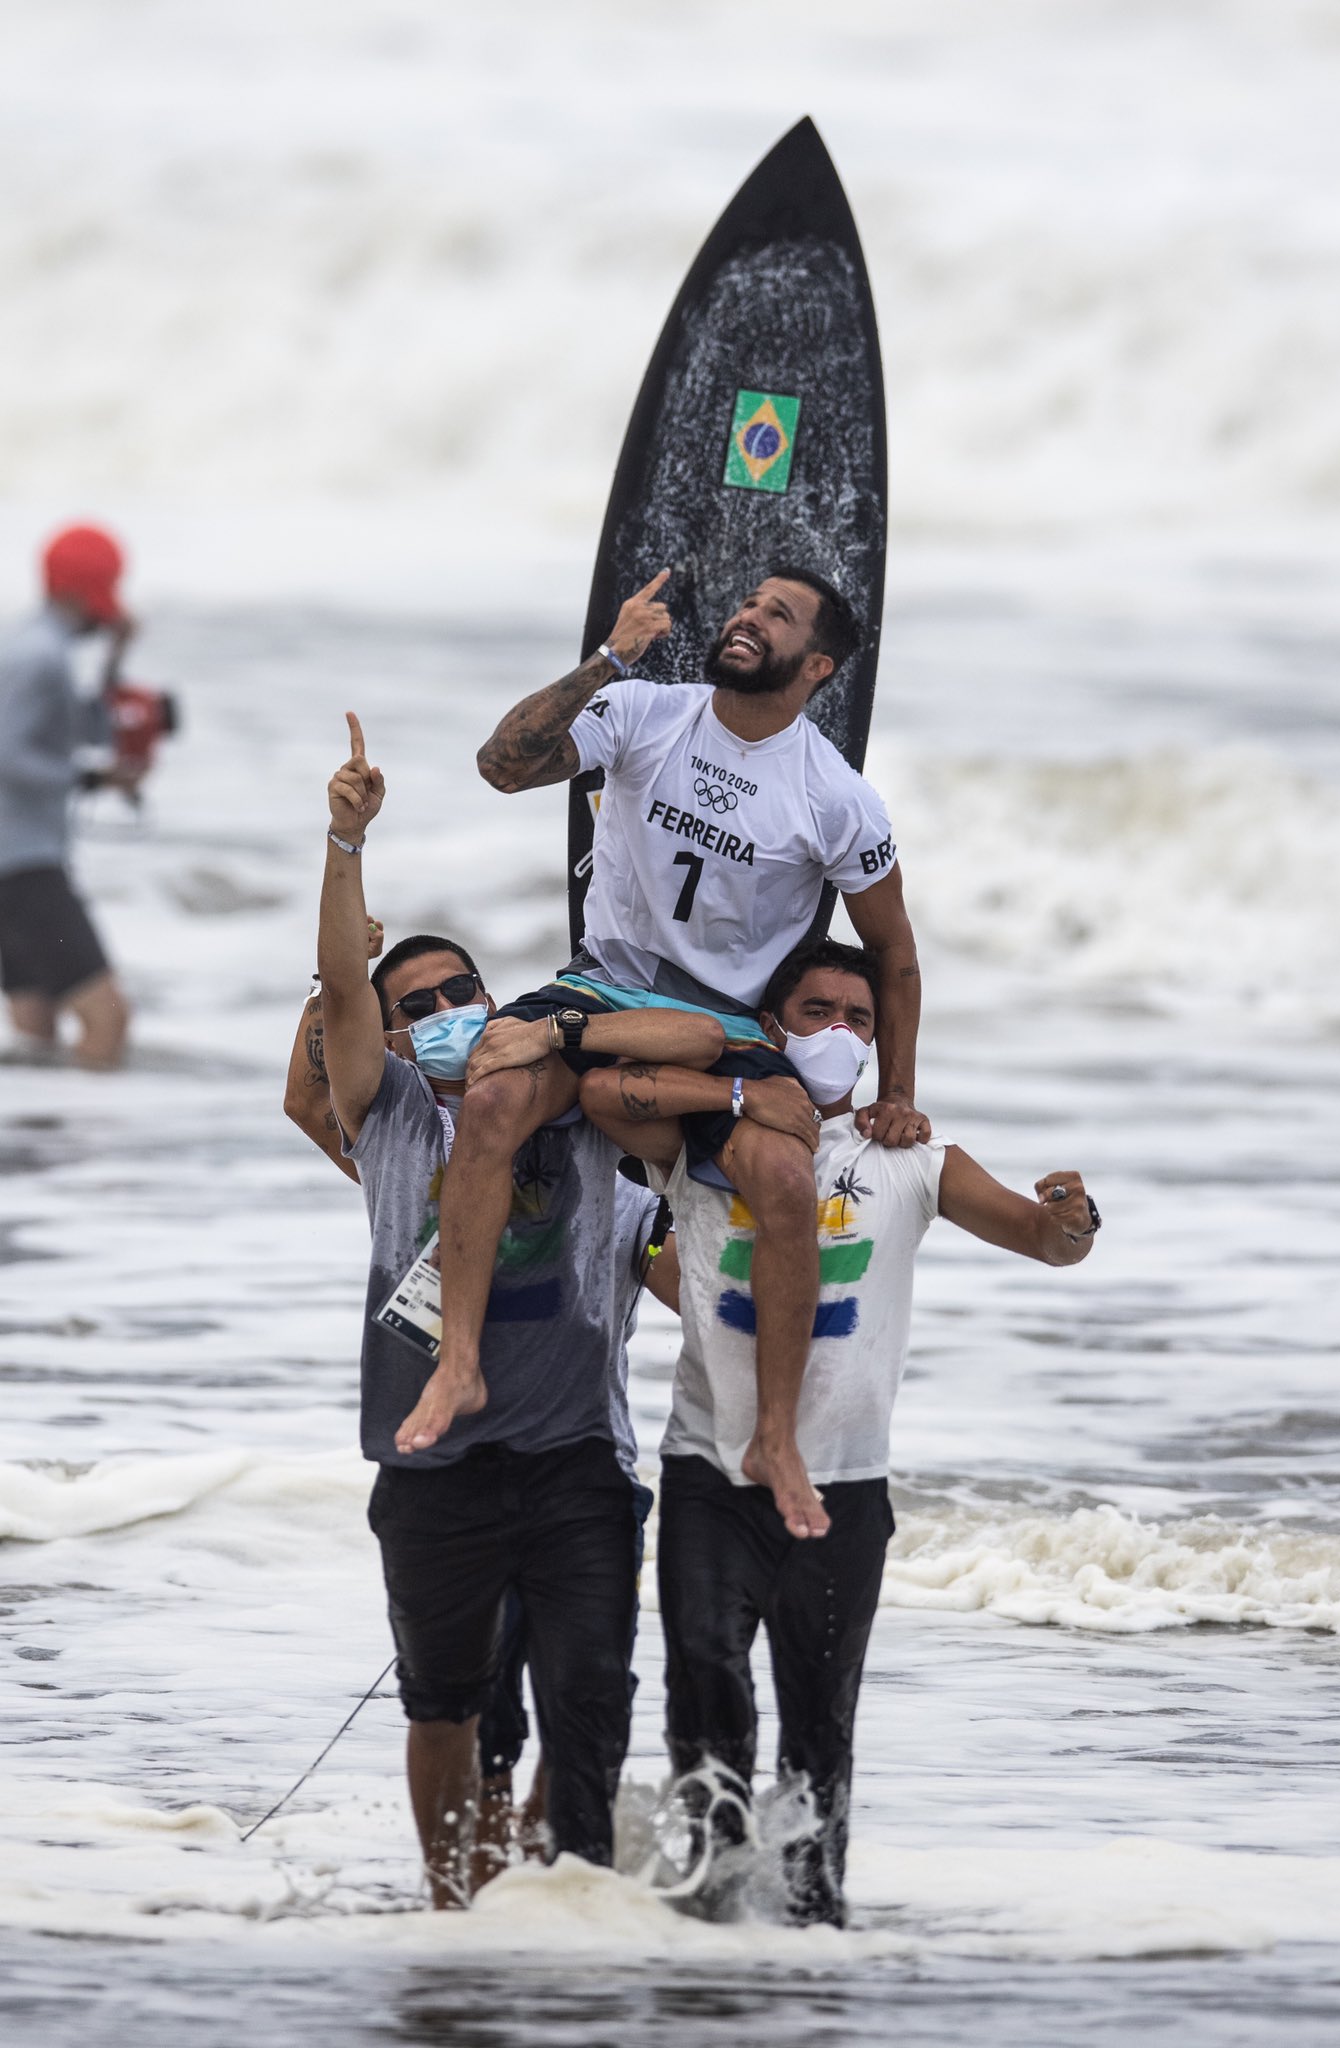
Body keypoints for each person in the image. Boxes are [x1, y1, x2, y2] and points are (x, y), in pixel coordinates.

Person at [578, 936, 1101, 1927]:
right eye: (816, 1011)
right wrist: (736, 1091)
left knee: (820, 1731)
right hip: (711, 1472)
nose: (838, 1033)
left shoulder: (907, 1160)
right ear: (771, 1023)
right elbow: (606, 1091)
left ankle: (814, 1926)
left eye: (859, 1019)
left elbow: (1044, 1240)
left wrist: (1071, 1212)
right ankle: (713, 1907)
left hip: (844, 1491)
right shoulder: (698, 1142)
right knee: (704, 1689)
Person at [424, 566, 928, 1543]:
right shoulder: (638, 709)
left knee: (784, 1176)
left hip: (727, 1025)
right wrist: (610, 652)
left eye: (776, 614)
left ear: (817, 664)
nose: (746, 615)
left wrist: (899, 1089)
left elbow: (894, 952)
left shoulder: (837, 798)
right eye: (746, 602)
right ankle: (459, 1359)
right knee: (488, 1104)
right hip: (600, 979)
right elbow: (501, 762)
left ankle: (775, 1437)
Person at [316, 712, 710, 1905]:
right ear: (391, 1037)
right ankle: (454, 1900)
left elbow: (684, 1043)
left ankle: (551, 1885)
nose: (443, 1006)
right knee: (444, 1695)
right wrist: (345, 843)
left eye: (462, 988)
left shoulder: (579, 1108)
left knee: (587, 1692)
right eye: (418, 1000)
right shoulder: (389, 1117)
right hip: (432, 1457)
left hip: (574, 1456)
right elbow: (339, 985)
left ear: (497, 998)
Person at [0, 524, 138, 1066]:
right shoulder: (41, 658)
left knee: (35, 1025)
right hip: (25, 868)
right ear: (84, 592)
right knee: (108, 1018)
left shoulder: (25, 644)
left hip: (12, 867)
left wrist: (114, 660)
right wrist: (93, 780)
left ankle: (35, 1144)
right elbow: (5, 755)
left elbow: (86, 730)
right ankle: (94, 1151)